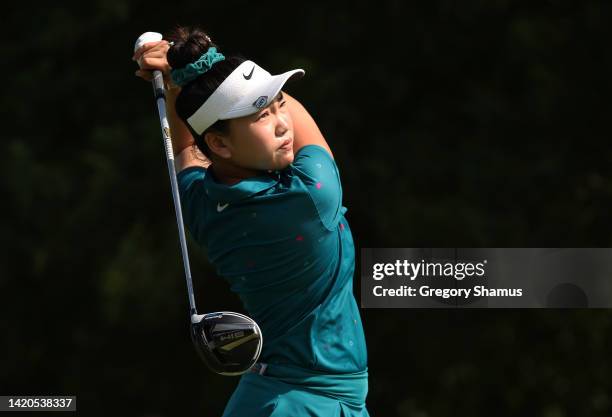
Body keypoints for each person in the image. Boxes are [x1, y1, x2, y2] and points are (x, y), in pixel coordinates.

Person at [133, 25, 370, 417]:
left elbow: (189, 150)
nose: (282, 124)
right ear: (221, 144)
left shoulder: (202, 202)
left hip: (273, 397)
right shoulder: (309, 196)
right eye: (262, 114)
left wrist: (184, 82)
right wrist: (200, 65)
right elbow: (192, 146)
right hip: (305, 404)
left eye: (279, 105)